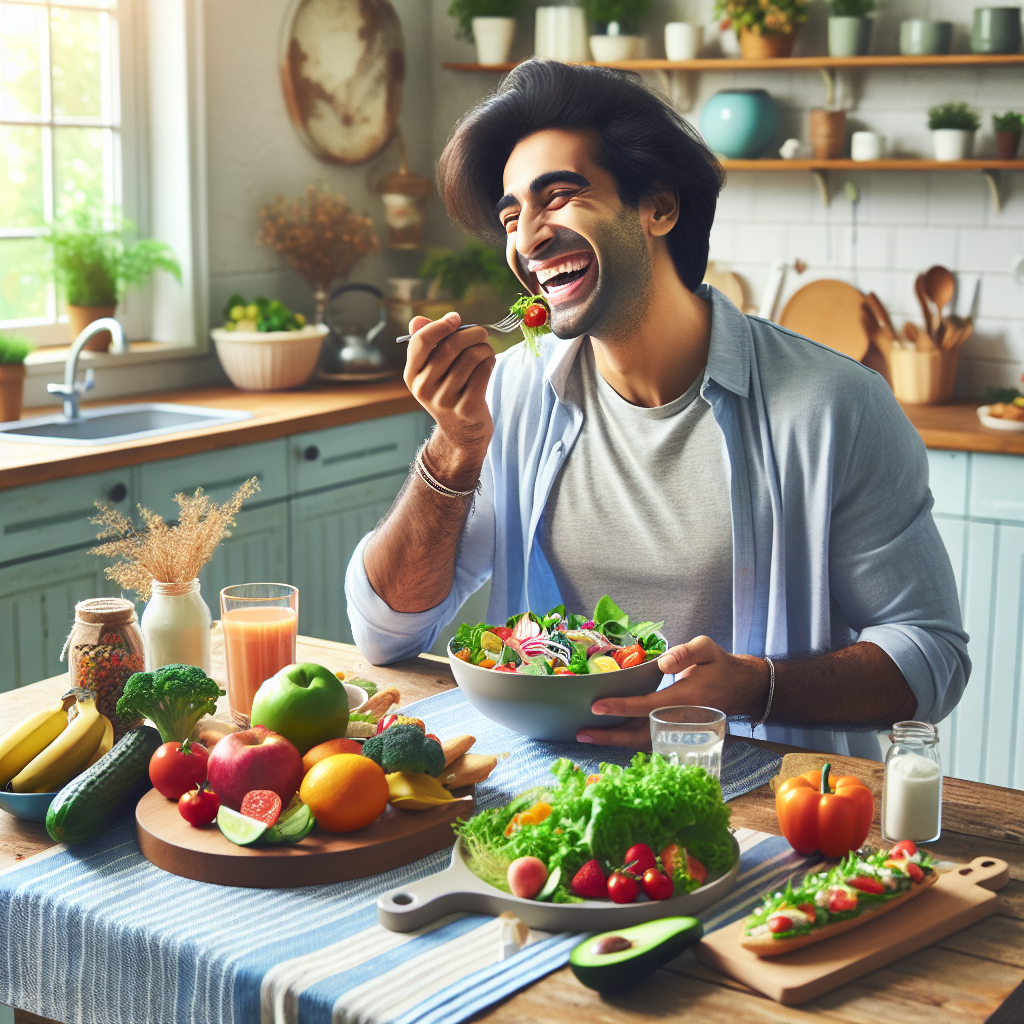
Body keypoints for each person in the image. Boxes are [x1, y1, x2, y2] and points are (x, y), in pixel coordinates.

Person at [345, 59, 969, 759]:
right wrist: (452, 449)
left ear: (659, 208)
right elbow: (385, 633)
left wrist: (750, 688)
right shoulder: (511, 394)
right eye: (513, 216)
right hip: (542, 798)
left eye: (559, 196)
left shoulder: (834, 407)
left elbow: (930, 655)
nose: (527, 238)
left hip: (762, 808)